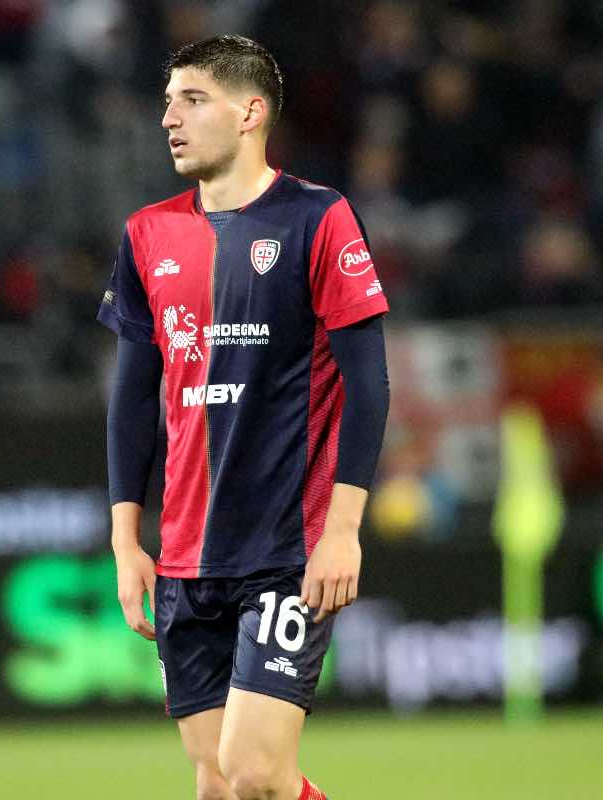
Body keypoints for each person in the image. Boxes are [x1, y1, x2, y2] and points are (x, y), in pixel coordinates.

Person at [98, 35, 390, 800]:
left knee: (256, 774)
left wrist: (343, 530)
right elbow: (132, 399)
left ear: (251, 111)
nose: (170, 119)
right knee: (217, 783)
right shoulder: (145, 235)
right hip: (187, 558)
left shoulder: (317, 219)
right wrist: (127, 541)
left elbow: (370, 386)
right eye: (167, 102)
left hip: (285, 552)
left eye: (192, 100)